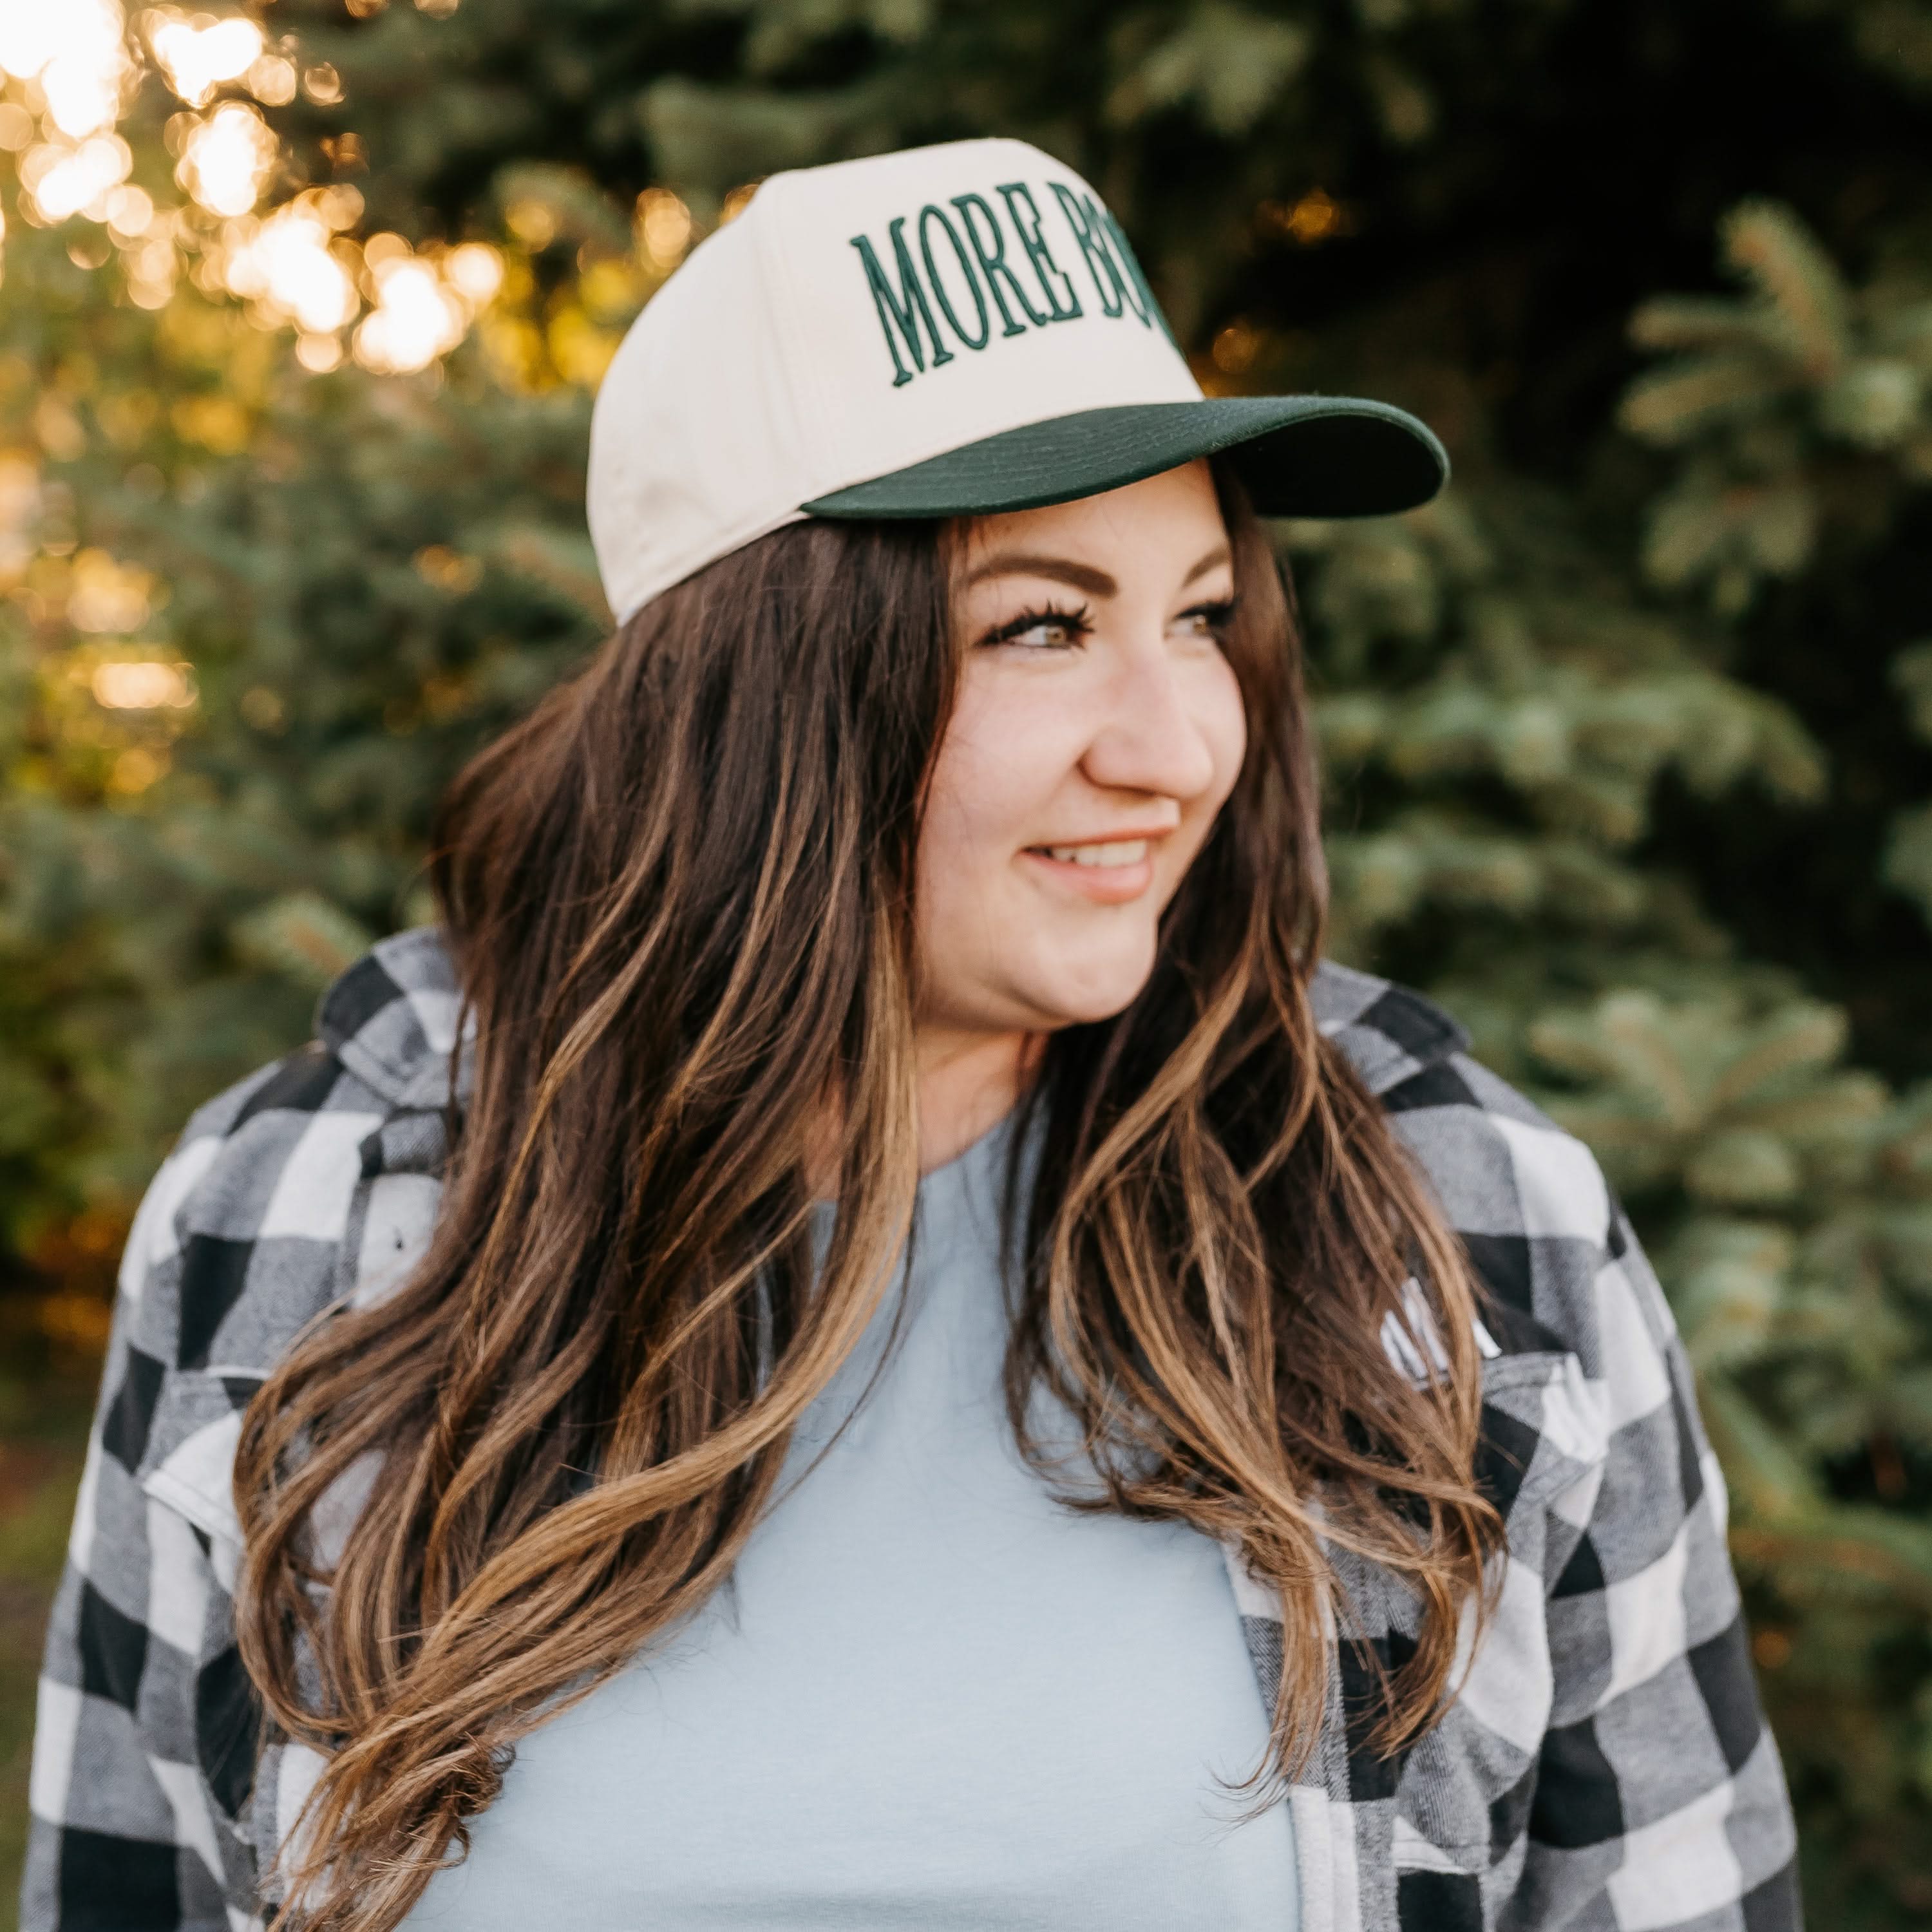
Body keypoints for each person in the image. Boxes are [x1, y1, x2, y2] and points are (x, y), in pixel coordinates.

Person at [21, 137, 1799, 1932]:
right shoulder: (304, 1214)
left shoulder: (1462, 1234)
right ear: (757, 698)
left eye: (1200, 617)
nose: (1180, 746)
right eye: (1042, 627)